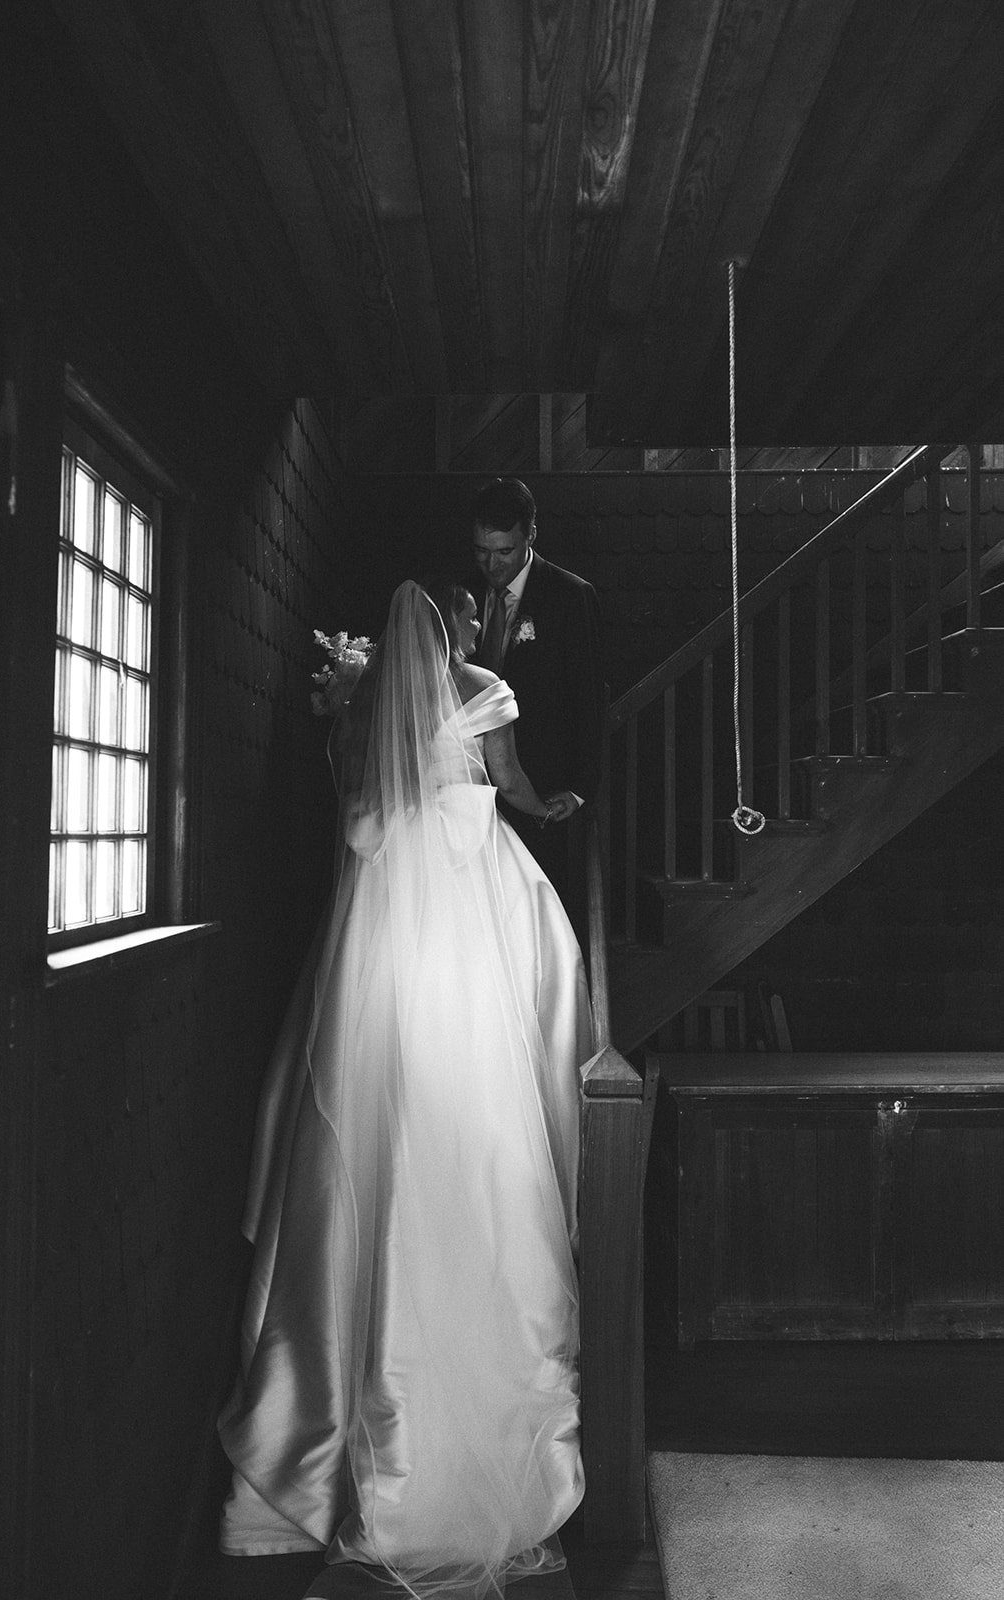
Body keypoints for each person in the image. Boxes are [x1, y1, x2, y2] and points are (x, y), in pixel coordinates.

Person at [217, 580, 593, 1600]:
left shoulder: (364, 707)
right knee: (488, 1083)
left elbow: (355, 805)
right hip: (467, 906)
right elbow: (509, 782)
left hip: (385, 921)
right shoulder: (482, 689)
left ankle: (346, 1430)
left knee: (370, 1096)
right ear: (456, 634)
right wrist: (541, 804)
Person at [468, 478, 605, 912]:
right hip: (468, 793)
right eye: (482, 551)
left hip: (538, 791)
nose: (492, 564)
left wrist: (581, 788)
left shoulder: (570, 597)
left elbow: (589, 698)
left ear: (530, 534)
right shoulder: (458, 595)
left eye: (504, 552)